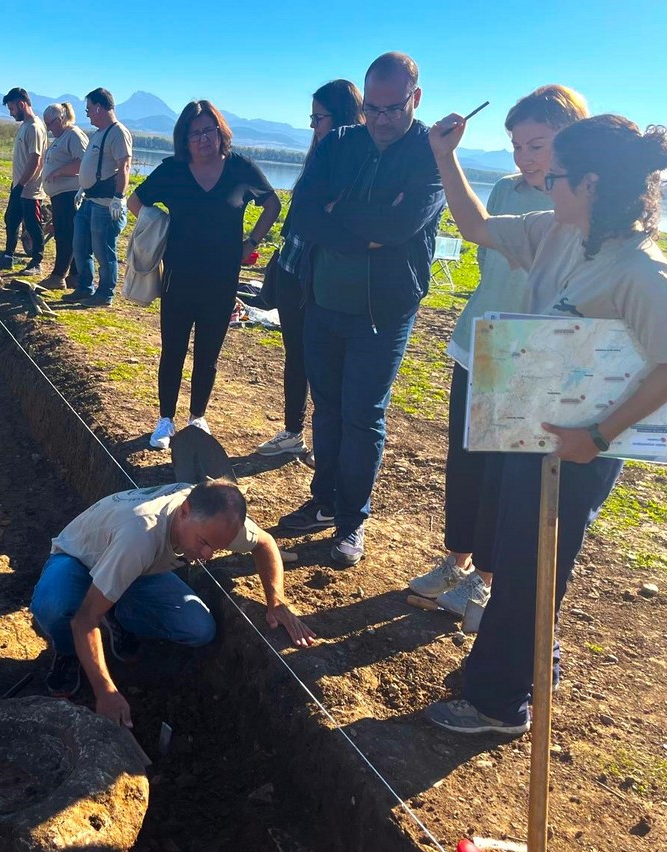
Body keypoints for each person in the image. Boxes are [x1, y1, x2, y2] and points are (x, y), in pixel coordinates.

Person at [424, 114, 667, 735]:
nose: (543, 182)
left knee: (534, 565)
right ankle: (519, 666)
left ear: (594, 184)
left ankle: (500, 704)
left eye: (557, 175)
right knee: (517, 555)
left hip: (579, 450)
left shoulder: (642, 271)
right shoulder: (557, 231)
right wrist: (444, 158)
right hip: (533, 431)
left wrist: (598, 437)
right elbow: (472, 225)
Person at [408, 86, 589, 631]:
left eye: (538, 144)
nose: (525, 157)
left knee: (503, 477)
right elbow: (477, 228)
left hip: (528, 362)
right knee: (465, 463)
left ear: (572, 140)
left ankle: (484, 581)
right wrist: (448, 157)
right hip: (476, 343)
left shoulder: (578, 208)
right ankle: (457, 560)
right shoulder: (506, 191)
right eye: (517, 144)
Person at [279, 52, 446, 569]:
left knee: (363, 415)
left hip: (385, 312)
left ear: (415, 99)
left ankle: (353, 521)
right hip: (322, 300)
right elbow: (303, 212)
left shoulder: (431, 153)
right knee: (326, 409)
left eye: (393, 108)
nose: (380, 120)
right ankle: (324, 501)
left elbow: (400, 229)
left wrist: (342, 217)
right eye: (372, 108)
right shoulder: (339, 143)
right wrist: (363, 229)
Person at [30, 480, 316, 726]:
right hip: (79, 559)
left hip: (138, 570)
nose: (207, 555)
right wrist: (105, 692)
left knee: (197, 628)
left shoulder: (218, 521)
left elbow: (264, 543)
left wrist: (276, 600)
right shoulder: (139, 535)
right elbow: (85, 620)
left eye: (216, 548)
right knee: (55, 608)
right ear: (185, 511)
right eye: (204, 543)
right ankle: (68, 651)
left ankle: (116, 610)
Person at [129, 101, 281, 449]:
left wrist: (253, 240)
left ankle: (197, 418)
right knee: (173, 350)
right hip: (178, 277)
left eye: (208, 131)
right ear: (184, 138)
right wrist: (160, 226)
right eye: (194, 133)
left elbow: (271, 202)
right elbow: (136, 202)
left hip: (222, 278)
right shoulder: (173, 170)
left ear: (220, 132)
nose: (202, 139)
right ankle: (165, 420)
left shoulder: (240, 168)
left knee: (208, 354)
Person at [255, 80, 364, 461]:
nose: (314, 126)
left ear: (343, 117)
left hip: (317, 278)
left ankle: (320, 440)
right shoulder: (320, 154)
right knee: (296, 356)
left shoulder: (355, 161)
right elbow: (304, 214)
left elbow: (333, 219)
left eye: (319, 118)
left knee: (322, 364)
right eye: (312, 118)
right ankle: (293, 432)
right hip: (291, 269)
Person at [68, 88, 133, 307]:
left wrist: (118, 197)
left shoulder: (118, 133)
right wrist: (82, 188)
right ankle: (85, 287)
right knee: (80, 246)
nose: (87, 114)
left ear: (98, 107)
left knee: (104, 251)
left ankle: (105, 294)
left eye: (88, 109)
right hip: (88, 201)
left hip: (105, 206)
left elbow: (124, 165)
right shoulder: (98, 133)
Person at [0, 88, 48, 276]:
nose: (11, 113)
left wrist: (22, 184)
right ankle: (8, 257)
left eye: (12, 108)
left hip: (30, 188)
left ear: (22, 104)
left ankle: (37, 261)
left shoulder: (35, 127)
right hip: (19, 186)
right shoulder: (24, 125)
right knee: (11, 219)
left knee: (32, 224)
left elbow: (36, 160)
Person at [38, 102, 88, 291]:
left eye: (49, 124)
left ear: (60, 120)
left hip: (68, 195)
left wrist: (59, 172)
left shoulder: (73, 135)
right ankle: (75, 276)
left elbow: (84, 163)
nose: (48, 129)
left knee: (65, 235)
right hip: (59, 195)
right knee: (66, 233)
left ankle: (58, 275)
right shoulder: (63, 136)